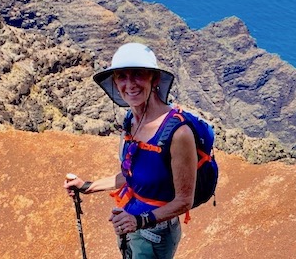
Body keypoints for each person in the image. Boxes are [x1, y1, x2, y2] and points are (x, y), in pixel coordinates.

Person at [64, 42, 197, 258]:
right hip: (129, 225)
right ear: (115, 83)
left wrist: (138, 221)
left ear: (153, 79)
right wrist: (87, 186)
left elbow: (184, 201)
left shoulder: (178, 132)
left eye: (138, 74)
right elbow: (131, 176)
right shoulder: (131, 121)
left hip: (155, 236)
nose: (130, 84)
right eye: (122, 76)